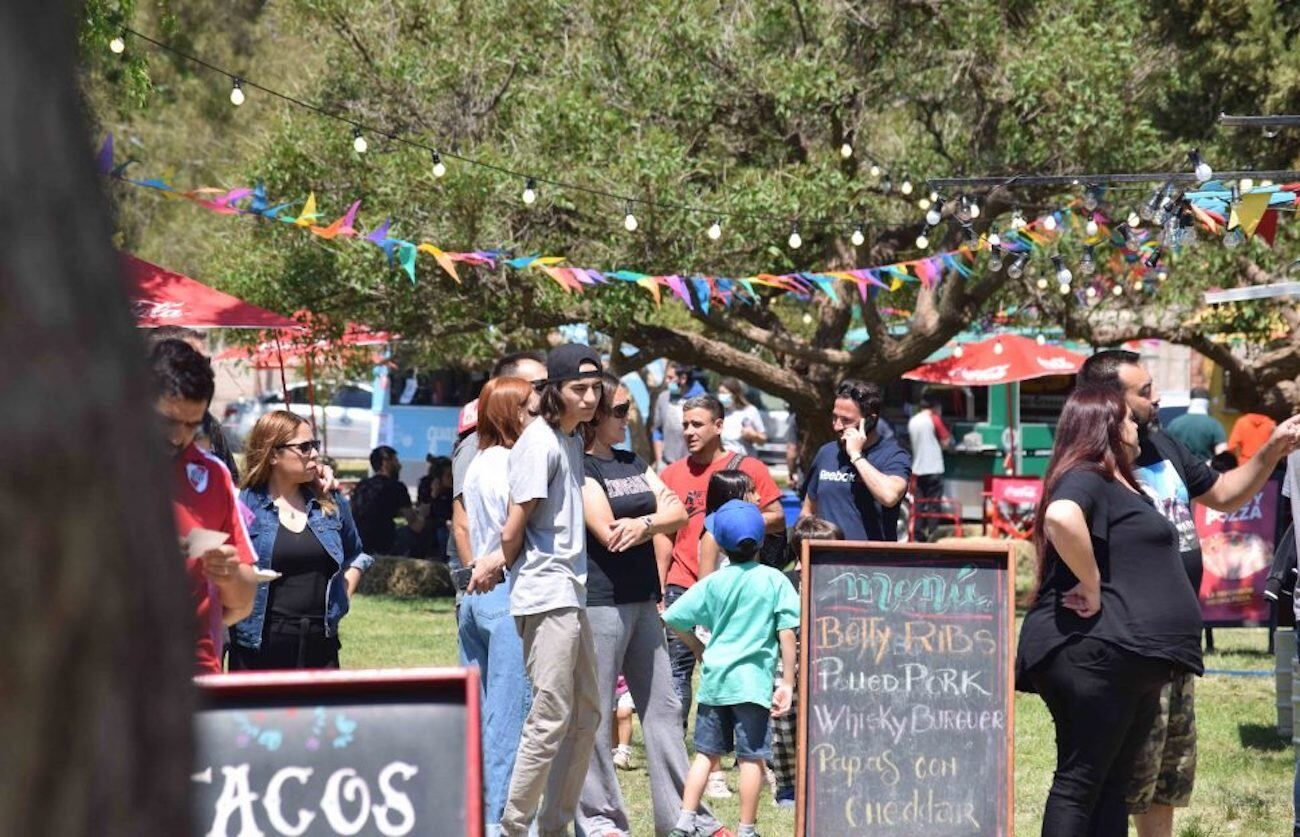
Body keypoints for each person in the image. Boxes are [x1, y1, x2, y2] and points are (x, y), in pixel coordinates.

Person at [1077, 350, 1300, 837]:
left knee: (1165, 776)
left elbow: (1224, 494)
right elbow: (1061, 526)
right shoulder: (1088, 462)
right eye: (1145, 391)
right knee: (1120, 778)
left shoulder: (1163, 444)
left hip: (1176, 642)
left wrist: (1271, 450)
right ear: (1111, 401)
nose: (1157, 398)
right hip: (1127, 645)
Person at [1016, 387, 1204, 835]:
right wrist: (1091, 582)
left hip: (1131, 656)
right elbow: (1061, 517)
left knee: (1111, 784)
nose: (1137, 426)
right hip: (1098, 652)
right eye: (1128, 420)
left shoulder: (1119, 482)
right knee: (1081, 782)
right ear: (1106, 427)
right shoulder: (1087, 474)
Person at [577, 373, 728, 837]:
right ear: (596, 415)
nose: (629, 418)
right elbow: (607, 531)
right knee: (597, 712)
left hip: (644, 598)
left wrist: (643, 525)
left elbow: (678, 514)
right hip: (601, 602)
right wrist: (653, 519)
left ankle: (685, 818)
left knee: (663, 708)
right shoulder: (581, 466)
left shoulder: (633, 461)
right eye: (621, 410)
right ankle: (600, 822)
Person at [468, 344, 604, 837]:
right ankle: (513, 826)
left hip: (571, 590)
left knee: (587, 713)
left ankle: (554, 825)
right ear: (555, 391)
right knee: (549, 714)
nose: (590, 398)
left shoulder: (571, 439)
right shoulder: (539, 442)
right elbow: (514, 525)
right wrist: (494, 563)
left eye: (595, 388)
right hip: (545, 592)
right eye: (579, 389)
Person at [662, 500, 800, 837]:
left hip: (715, 683)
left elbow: (674, 616)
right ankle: (746, 829)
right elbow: (787, 633)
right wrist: (787, 682)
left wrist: (698, 647)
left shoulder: (713, 582)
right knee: (752, 758)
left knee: (705, 755)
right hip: (752, 685)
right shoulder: (775, 580)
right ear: (762, 541)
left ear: (721, 546)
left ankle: (684, 821)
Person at [661, 394, 784, 734]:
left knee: (732, 669)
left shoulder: (749, 469)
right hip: (682, 583)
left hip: (734, 589)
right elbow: (664, 536)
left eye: (697, 424)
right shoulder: (671, 474)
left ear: (718, 426)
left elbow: (777, 517)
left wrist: (736, 518)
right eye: (685, 425)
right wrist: (659, 585)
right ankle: (674, 747)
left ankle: (733, 744)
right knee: (676, 670)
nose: (689, 431)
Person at [227, 410, 372, 670]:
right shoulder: (245, 505)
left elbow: (356, 555)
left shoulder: (330, 501)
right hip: (258, 646)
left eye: (315, 445)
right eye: (304, 447)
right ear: (273, 455)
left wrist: (342, 598)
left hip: (320, 645)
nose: (315, 454)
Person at [457, 376, 537, 836]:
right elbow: (513, 529)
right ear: (511, 412)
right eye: (529, 407)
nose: (536, 414)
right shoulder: (514, 462)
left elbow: (467, 525)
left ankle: (473, 810)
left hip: (476, 593)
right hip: (507, 588)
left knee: (479, 715)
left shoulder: (478, 460)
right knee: (509, 718)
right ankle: (495, 820)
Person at [151, 339, 257, 673]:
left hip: (194, 674)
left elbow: (243, 601)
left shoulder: (213, 475)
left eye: (191, 424)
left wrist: (229, 575)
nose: (176, 437)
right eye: (168, 421)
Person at [448, 352, 548, 583]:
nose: (549, 394)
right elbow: (462, 525)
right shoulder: (476, 449)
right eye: (540, 386)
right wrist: (477, 579)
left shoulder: (530, 446)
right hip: (494, 581)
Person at [770, 515, 842, 809]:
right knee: (785, 728)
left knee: (829, 723)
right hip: (789, 663)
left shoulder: (839, 582)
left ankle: (827, 779)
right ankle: (788, 786)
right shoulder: (785, 582)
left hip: (830, 662)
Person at [801, 379, 911, 541]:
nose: (837, 426)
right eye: (834, 417)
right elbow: (808, 511)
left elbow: (889, 497)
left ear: (870, 421)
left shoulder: (894, 456)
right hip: (826, 555)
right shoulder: (826, 453)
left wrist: (856, 456)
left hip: (871, 556)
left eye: (846, 420)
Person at [147, 325, 240, 481]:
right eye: (170, 422)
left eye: (205, 362)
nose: (177, 437)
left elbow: (230, 480)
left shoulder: (209, 424)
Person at [351, 445, 424, 555]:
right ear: (385, 463)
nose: (399, 465)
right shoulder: (397, 487)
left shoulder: (362, 485)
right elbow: (416, 526)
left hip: (359, 542)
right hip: (384, 544)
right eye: (396, 461)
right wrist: (423, 513)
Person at [907, 392, 953, 542]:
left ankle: (917, 534)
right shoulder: (934, 419)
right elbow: (946, 441)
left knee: (919, 504)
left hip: (917, 469)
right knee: (934, 504)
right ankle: (933, 534)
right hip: (934, 468)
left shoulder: (913, 420)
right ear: (935, 407)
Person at [698, 470, 758, 578]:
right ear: (733, 496)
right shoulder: (712, 536)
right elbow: (705, 581)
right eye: (751, 491)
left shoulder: (752, 529)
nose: (758, 497)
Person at [651, 363, 706, 472]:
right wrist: (659, 461)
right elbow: (657, 431)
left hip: (695, 467)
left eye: (670, 378)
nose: (666, 381)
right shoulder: (663, 398)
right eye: (666, 377)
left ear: (683, 378)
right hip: (667, 464)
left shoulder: (703, 400)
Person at [1165, 387, 1227, 462]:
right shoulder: (1214, 425)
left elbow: (1166, 449)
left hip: (1181, 467)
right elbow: (1222, 453)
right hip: (1205, 467)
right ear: (1207, 403)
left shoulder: (1174, 424)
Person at [414, 455, 454, 558]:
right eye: (449, 475)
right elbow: (423, 513)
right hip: (433, 525)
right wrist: (433, 495)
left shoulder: (453, 490)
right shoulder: (426, 485)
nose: (452, 478)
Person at [718, 377, 767, 458]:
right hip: (725, 460)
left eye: (724, 393)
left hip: (744, 459)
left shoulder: (750, 411)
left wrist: (754, 435)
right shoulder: (719, 412)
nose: (721, 396)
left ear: (734, 394)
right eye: (719, 393)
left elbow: (763, 440)